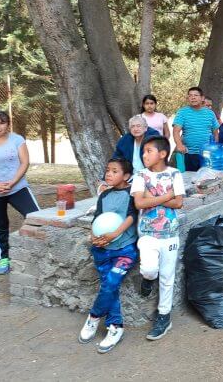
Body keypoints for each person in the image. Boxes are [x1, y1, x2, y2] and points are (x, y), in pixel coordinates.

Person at [78, 158, 138, 353]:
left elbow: (132, 215)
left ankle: (94, 316)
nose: (108, 174)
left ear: (127, 176)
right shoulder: (104, 196)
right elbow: (97, 219)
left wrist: (115, 234)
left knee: (111, 282)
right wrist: (94, 237)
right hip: (103, 250)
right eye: (107, 171)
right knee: (108, 286)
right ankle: (115, 326)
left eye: (114, 171)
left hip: (125, 249)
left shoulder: (133, 194)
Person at [131, 135, 185, 340]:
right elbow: (139, 204)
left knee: (167, 277)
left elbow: (179, 202)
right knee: (150, 269)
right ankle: (147, 279)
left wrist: (151, 199)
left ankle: (164, 316)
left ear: (162, 154)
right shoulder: (140, 175)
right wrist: (166, 196)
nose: (144, 155)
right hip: (147, 233)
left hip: (170, 235)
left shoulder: (175, 174)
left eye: (149, 151)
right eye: (143, 151)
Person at [0, 110, 39, 275]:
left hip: (18, 188)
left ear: (7, 125)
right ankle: (4, 258)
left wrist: (12, 182)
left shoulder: (17, 139)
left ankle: (37, 251)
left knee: (36, 216)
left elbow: (25, 162)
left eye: (2, 123)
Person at [172, 86, 219, 171]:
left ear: (202, 98)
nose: (193, 97)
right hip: (189, 153)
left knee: (207, 180)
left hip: (207, 153)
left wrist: (214, 147)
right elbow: (176, 131)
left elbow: (216, 132)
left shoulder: (210, 113)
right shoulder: (182, 112)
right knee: (190, 179)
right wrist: (179, 145)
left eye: (196, 95)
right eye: (190, 95)